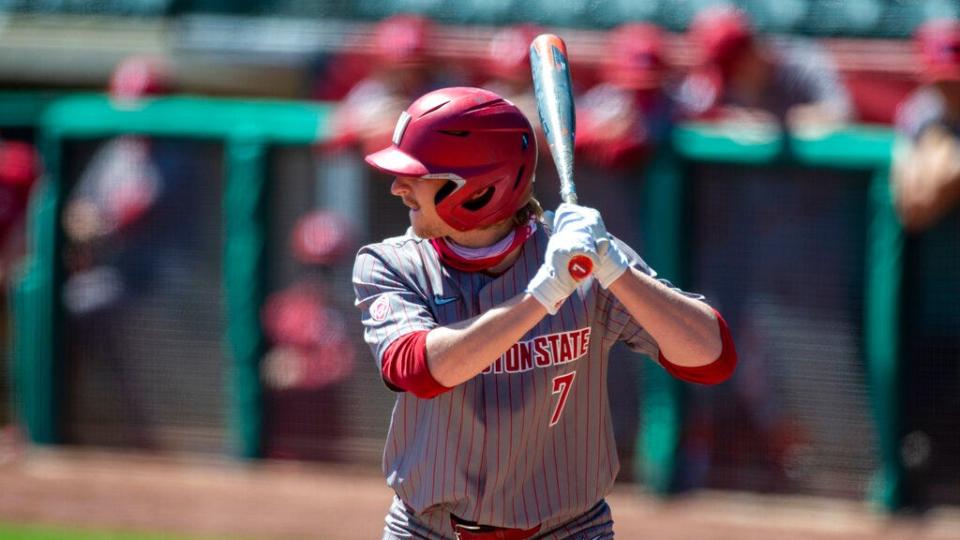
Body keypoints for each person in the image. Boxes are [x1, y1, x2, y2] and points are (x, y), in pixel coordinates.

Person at [352, 87, 737, 539]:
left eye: (418, 175)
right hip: (430, 530)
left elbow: (713, 359)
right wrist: (543, 296)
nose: (398, 186)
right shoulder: (392, 263)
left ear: (477, 189)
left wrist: (617, 271)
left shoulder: (583, 257)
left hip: (570, 529)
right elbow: (416, 369)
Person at [679, 6, 853, 131]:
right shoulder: (715, 78)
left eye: (736, 69)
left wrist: (780, 123)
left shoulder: (801, 61)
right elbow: (686, 111)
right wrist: (732, 118)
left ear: (752, 53)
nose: (733, 79)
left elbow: (841, 113)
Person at [892, 19, 960, 232]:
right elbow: (912, 206)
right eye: (942, 82)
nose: (949, 89)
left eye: (955, 82)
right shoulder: (924, 109)